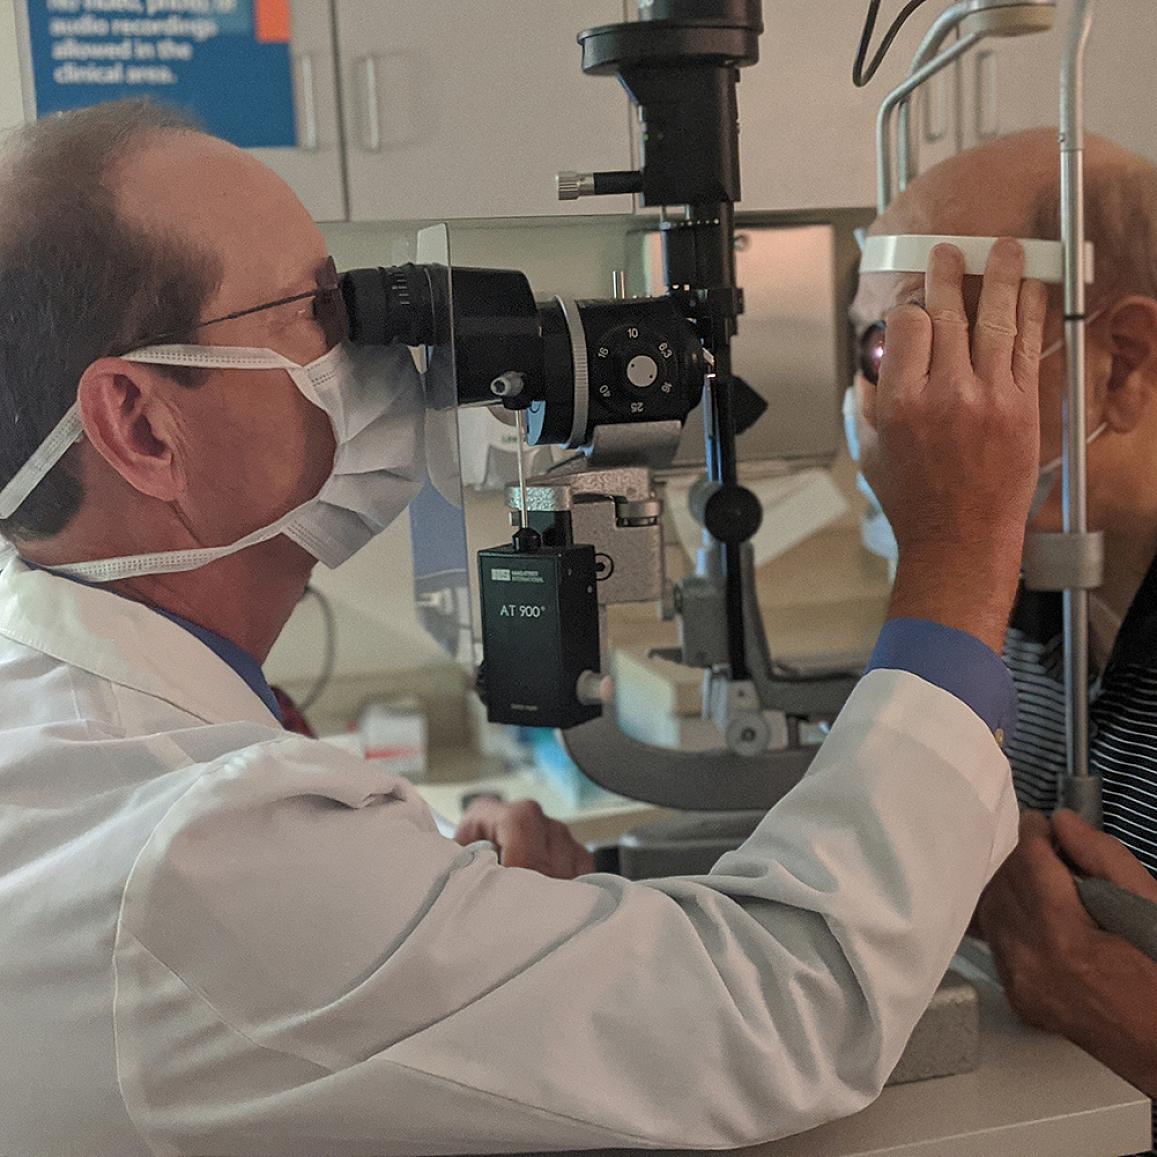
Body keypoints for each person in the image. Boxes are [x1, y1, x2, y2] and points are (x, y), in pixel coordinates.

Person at [0, 101, 1043, 1157]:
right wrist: (959, 553)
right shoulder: (200, 857)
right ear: (140, 424)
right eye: (317, 308)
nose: (380, 344)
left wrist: (485, 946)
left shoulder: (61, 714)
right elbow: (790, 1004)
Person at [850, 128, 1157, 1143]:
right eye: (877, 352)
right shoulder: (1015, 586)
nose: (889, 401)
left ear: (1119, 361)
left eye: (933, 347)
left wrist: (1111, 1006)